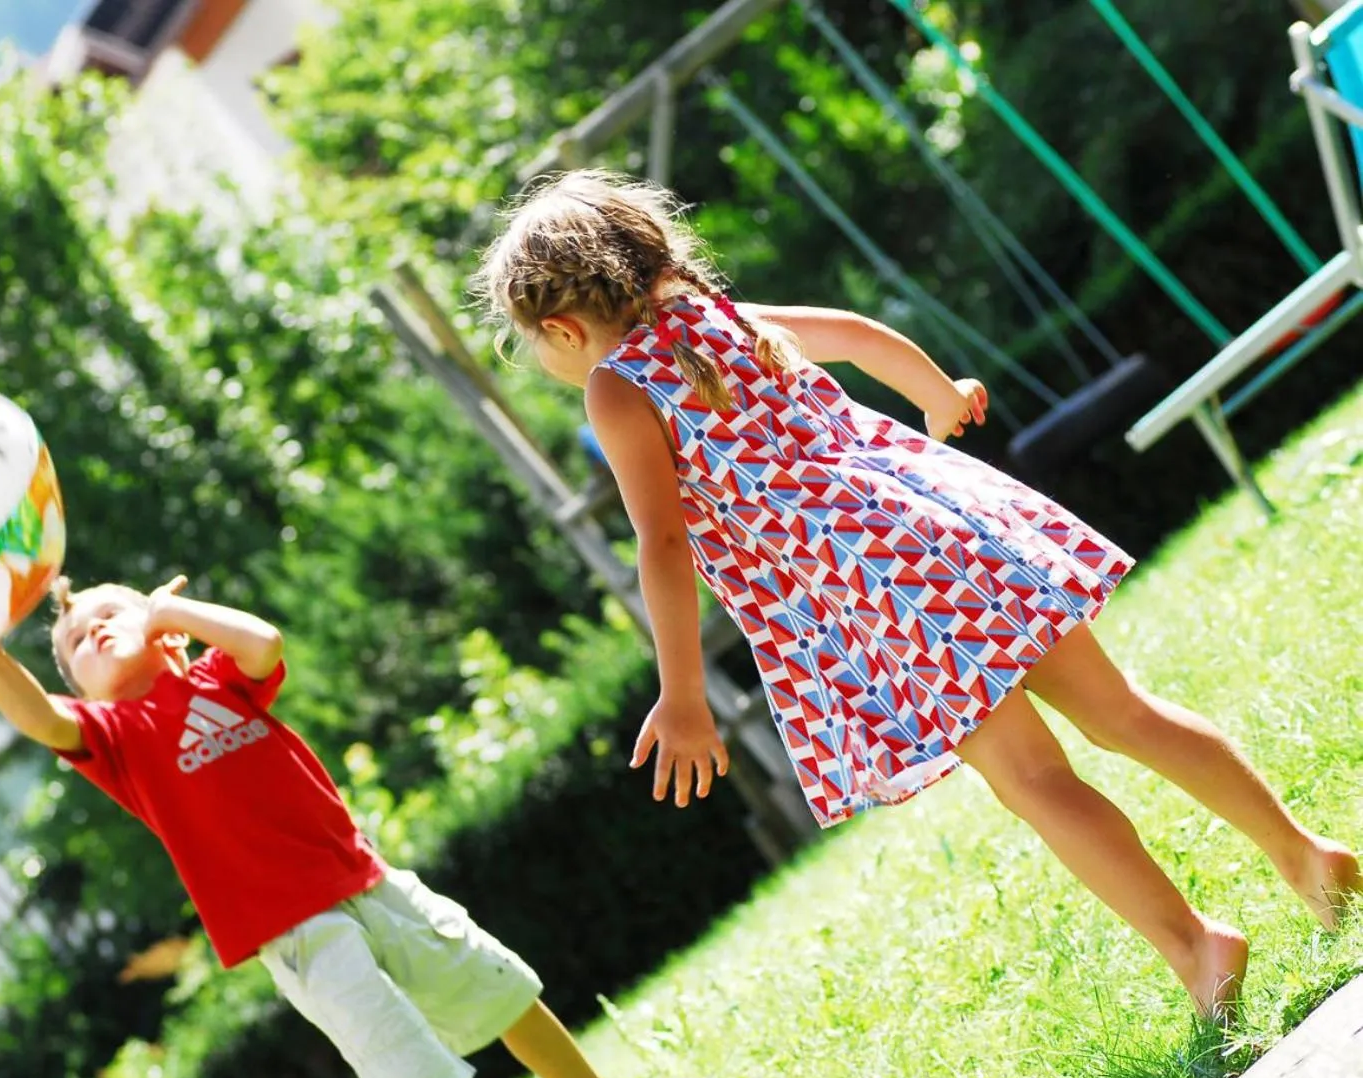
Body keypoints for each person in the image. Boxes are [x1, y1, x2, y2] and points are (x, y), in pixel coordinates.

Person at [472, 168, 1360, 1020]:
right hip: (936, 524)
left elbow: (663, 543)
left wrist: (683, 691)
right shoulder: (711, 315)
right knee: (1121, 711)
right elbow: (855, 333)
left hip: (873, 591)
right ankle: (1307, 857)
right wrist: (937, 395)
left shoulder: (617, 389)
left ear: (560, 329)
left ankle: (1198, 950)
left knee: (1034, 777)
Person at [0, 571, 708, 1078]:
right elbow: (36, 715)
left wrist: (174, 609)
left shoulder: (221, 680)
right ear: (82, 691)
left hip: (368, 880)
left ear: (167, 630)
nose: (93, 629)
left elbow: (263, 643)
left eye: (111, 613)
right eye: (77, 641)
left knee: (502, 988)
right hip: (300, 936)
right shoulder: (112, 737)